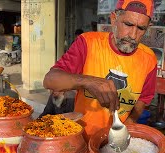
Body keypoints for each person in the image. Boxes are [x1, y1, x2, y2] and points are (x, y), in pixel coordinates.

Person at [43, 0, 157, 139]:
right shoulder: (88, 43)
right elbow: (50, 80)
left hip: (113, 142)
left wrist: (127, 125)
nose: (133, 35)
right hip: (82, 136)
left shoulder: (149, 59)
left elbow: (144, 98)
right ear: (114, 19)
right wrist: (88, 81)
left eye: (141, 28)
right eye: (128, 24)